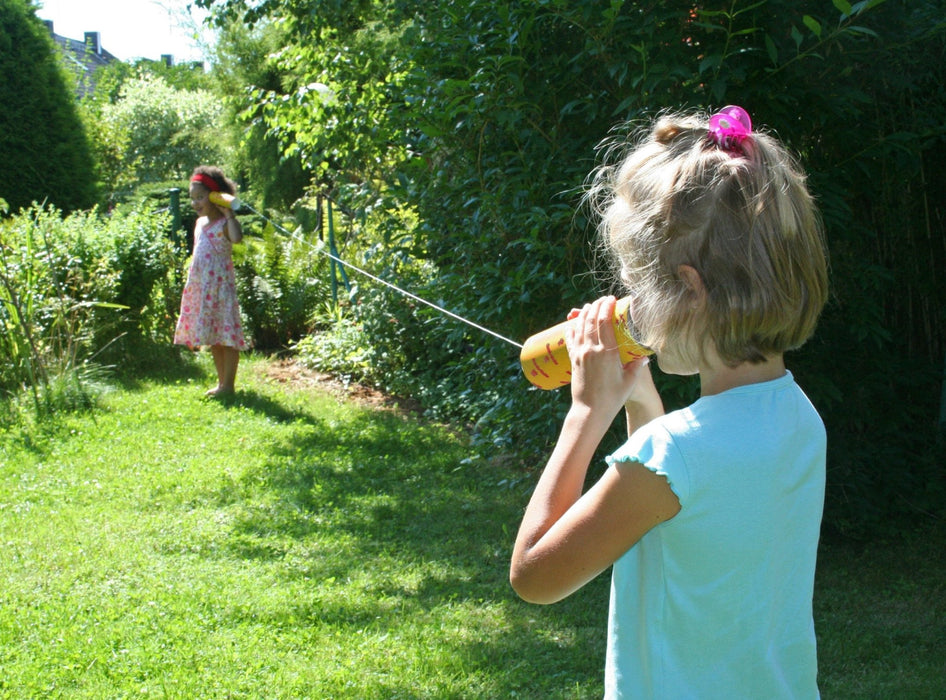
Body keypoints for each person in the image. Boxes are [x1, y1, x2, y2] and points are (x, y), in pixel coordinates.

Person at [509, 106, 829, 698]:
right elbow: (681, 503)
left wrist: (586, 412)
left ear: (688, 288)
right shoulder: (797, 417)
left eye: (638, 286)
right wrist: (637, 395)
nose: (634, 304)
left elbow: (535, 576)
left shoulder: (672, 452)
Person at [174, 165, 248, 396]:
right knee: (214, 338)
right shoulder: (199, 224)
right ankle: (221, 384)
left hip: (220, 290)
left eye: (200, 197)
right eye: (192, 198)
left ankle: (229, 385)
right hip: (203, 288)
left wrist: (229, 214)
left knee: (227, 338)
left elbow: (236, 239)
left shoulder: (225, 225)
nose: (195, 203)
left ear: (215, 196)